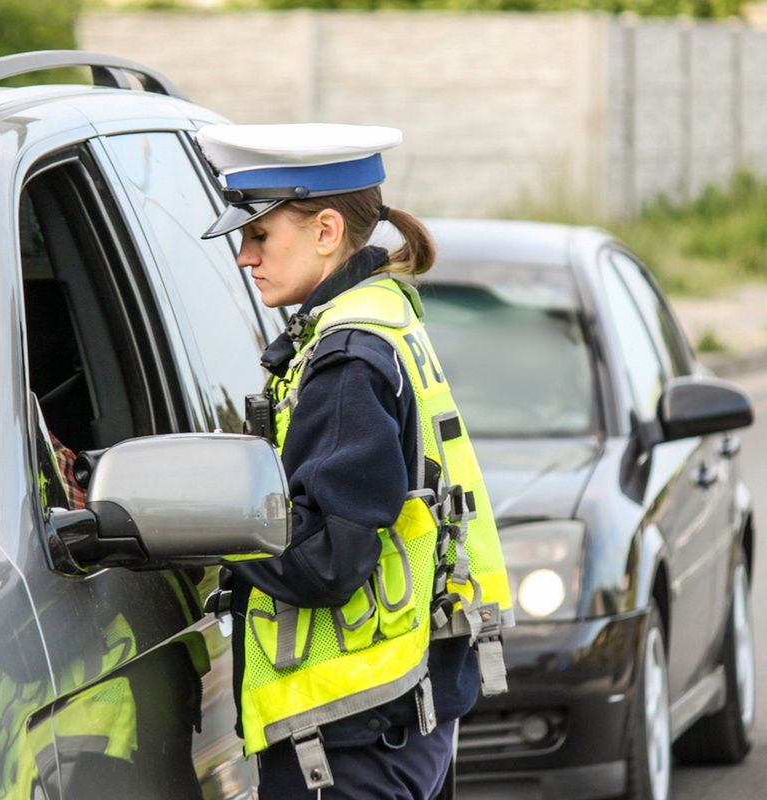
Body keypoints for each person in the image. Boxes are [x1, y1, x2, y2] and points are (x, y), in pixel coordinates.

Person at [195, 123, 514, 799]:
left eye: (259, 236)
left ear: (326, 230)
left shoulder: (345, 358)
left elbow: (326, 560)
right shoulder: (383, 315)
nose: (245, 258)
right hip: (398, 712)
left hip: (353, 733)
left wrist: (207, 528)